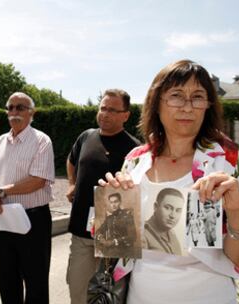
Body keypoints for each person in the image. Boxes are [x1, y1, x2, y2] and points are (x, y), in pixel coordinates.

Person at [100, 59, 239, 303]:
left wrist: (237, 211)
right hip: (140, 296)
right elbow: (116, 249)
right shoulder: (135, 161)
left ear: (208, 106)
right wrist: (113, 209)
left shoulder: (231, 160)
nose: (187, 107)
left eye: (198, 96)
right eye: (176, 95)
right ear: (157, 103)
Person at [66, 89, 140, 304]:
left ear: (126, 115)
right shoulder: (86, 137)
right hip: (81, 231)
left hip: (114, 235)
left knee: (109, 296)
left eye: (112, 110)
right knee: (77, 289)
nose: (105, 114)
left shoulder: (135, 149)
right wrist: (71, 183)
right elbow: (72, 161)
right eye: (103, 108)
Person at [0, 92, 55, 304]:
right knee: (7, 279)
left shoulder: (41, 141)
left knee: (35, 282)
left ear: (32, 113)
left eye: (20, 107)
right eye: (11, 107)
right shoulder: (0, 141)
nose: (14, 111)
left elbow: (38, 181)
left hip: (33, 220)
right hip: (5, 219)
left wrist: (0, 192)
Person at [143, 187, 185, 255]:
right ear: (156, 207)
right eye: (167, 208)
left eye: (178, 210)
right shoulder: (143, 234)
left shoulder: (172, 234)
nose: (173, 215)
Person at [95, 193, 137, 257]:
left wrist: (114, 242)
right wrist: (101, 239)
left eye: (115, 202)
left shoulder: (127, 216)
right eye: (111, 202)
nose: (113, 205)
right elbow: (99, 231)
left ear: (120, 202)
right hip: (109, 248)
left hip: (123, 249)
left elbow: (133, 236)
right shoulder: (109, 218)